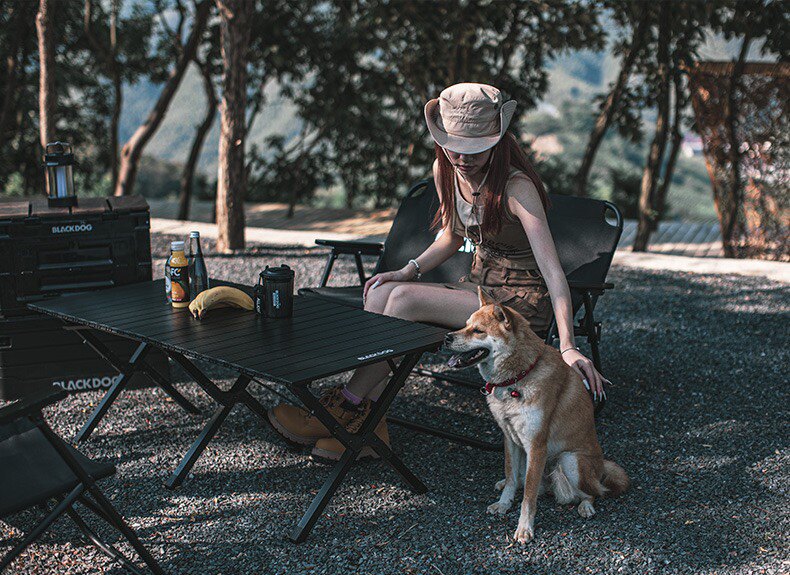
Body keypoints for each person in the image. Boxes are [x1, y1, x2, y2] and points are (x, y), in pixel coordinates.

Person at [268, 82, 610, 462]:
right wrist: (407, 270)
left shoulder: (517, 188)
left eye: (474, 149)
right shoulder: (445, 170)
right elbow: (450, 236)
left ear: (495, 142)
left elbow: (552, 271)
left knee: (401, 300)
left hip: (516, 304)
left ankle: (343, 408)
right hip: (478, 288)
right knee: (381, 291)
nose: (462, 158)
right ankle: (369, 426)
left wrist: (568, 345)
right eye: (453, 146)